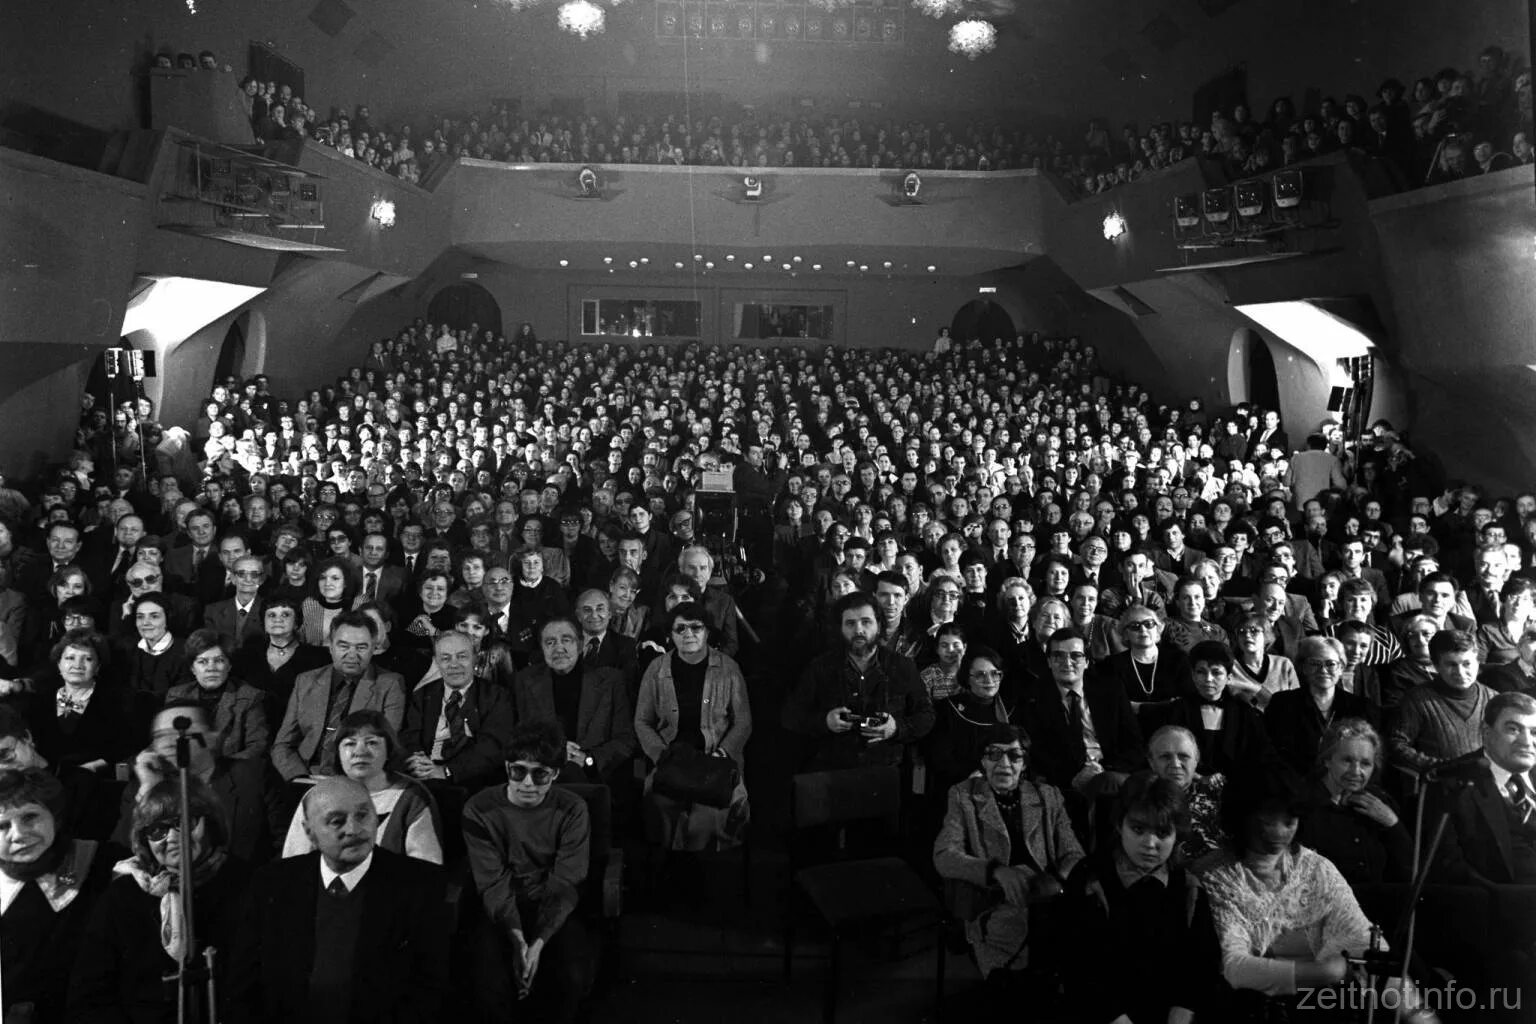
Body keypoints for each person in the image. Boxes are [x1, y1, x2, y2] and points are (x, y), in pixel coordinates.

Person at [229, 775, 449, 1024]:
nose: (354, 829)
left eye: (363, 815)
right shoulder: (272, 883)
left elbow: (430, 990)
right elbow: (244, 984)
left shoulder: (419, 885)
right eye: (337, 821)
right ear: (310, 833)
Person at [1201, 766, 1400, 1005]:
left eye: (1289, 820)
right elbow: (1235, 967)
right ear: (1244, 817)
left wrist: (1418, 1013)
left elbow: (1361, 938)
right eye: (1268, 820)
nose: (1280, 831)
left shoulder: (1317, 868)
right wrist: (1328, 972)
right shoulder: (1218, 876)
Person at [70, 777, 252, 1023]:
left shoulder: (250, 884)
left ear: (211, 823)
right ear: (145, 840)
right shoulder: (123, 895)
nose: (173, 837)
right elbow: (90, 995)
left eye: (186, 822)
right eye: (158, 830)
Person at [932, 723, 1084, 989]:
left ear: (1024, 763)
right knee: (1015, 981)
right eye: (994, 754)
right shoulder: (963, 795)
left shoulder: (1048, 796)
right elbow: (945, 855)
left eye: (1014, 756)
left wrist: (1057, 879)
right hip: (994, 903)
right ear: (982, 760)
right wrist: (996, 871)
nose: (1004, 764)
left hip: (1047, 899)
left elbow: (1073, 852)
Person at [463, 719, 594, 1023]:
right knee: (487, 983)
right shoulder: (479, 809)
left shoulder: (573, 808)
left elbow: (566, 881)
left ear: (556, 774)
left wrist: (537, 943)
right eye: (518, 771)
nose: (528, 784)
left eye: (541, 774)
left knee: (570, 977)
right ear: (507, 767)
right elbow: (493, 883)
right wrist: (518, 940)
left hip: (554, 905)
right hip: (502, 906)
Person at [1061, 773, 1218, 1023]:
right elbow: (1078, 965)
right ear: (1118, 825)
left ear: (1177, 835)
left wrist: (1183, 1010)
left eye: (1163, 832)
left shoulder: (1187, 886)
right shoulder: (1090, 878)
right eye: (1138, 829)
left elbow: (1202, 964)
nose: (1150, 843)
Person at [633, 601, 751, 852]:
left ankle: (708, 873)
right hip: (672, 759)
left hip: (715, 759)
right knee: (659, 807)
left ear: (707, 632)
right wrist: (660, 755)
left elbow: (743, 721)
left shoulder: (728, 669)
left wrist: (724, 753)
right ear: (671, 634)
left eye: (696, 628)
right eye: (681, 629)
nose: (688, 634)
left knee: (709, 818)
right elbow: (642, 721)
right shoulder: (656, 669)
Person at [0, 768, 113, 1024]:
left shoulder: (102, 864)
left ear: (55, 816)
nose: (18, 834)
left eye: (30, 817)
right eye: (2, 825)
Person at [782, 591, 933, 771]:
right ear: (840, 627)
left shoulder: (902, 666)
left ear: (878, 624)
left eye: (866, 622)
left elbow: (926, 715)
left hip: (887, 770)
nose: (859, 630)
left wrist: (896, 729)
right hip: (833, 770)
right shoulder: (820, 667)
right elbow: (791, 716)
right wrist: (824, 722)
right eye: (850, 623)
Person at [114, 701, 277, 864]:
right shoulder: (141, 787)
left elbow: (287, 846)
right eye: (161, 736)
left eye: (181, 732)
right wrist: (151, 792)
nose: (170, 743)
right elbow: (122, 854)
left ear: (213, 738)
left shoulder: (253, 776)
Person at [270, 611, 406, 782]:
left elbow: (387, 748)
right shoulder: (306, 681)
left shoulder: (390, 685)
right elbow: (282, 744)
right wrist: (299, 777)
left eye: (361, 647)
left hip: (356, 781)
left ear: (374, 648)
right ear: (331, 646)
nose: (351, 654)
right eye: (344, 646)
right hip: (304, 776)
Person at [511, 617, 636, 787]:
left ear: (580, 644)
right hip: (542, 777)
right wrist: (555, 752)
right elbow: (517, 736)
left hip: (596, 778)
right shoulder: (525, 681)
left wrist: (588, 759)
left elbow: (625, 740)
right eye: (550, 642)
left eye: (566, 640)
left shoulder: (611, 681)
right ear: (542, 647)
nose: (559, 648)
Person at [1298, 718, 1411, 890]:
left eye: (1365, 763)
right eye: (1347, 760)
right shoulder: (1303, 803)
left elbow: (1409, 867)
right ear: (1327, 760)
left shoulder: (1380, 801)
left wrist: (1392, 823)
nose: (1356, 771)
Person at [399, 630, 516, 793]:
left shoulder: (497, 696)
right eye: (445, 658)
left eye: (462, 656)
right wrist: (417, 762)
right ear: (436, 662)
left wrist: (447, 771)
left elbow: (492, 746)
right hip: (424, 779)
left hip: (474, 783)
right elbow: (409, 737)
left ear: (475, 658)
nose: (454, 665)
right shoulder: (422, 695)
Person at [1149, 640, 1274, 777]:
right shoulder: (1176, 710)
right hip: (1188, 783)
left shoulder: (1245, 712)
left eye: (1216, 672)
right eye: (1201, 672)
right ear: (1193, 675)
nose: (1208, 679)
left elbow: (1258, 756)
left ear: (1228, 677)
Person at [1264, 636, 1378, 777]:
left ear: (1341, 668)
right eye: (1314, 663)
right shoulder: (1283, 704)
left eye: (1331, 664)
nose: (1323, 670)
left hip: (1347, 784)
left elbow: (1371, 756)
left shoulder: (1362, 708)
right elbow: (1272, 756)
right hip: (1295, 786)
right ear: (1303, 668)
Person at [1389, 629, 1495, 776]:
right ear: (1436, 666)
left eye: (1467, 664)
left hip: (1487, 786)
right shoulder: (1417, 700)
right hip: (1440, 786)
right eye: (1451, 665)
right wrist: (1443, 768)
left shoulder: (1494, 699)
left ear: (1477, 662)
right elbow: (1397, 746)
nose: (1460, 672)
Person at [164, 628, 269, 761]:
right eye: (202, 662)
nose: (211, 668)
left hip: (230, 775)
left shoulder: (249, 697)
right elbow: (165, 743)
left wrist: (218, 769)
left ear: (229, 665)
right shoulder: (176, 696)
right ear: (192, 668)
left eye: (219, 661)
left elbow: (257, 748)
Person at [927, 644, 1017, 794]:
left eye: (995, 673)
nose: (989, 680)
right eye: (980, 675)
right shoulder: (947, 708)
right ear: (967, 678)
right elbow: (939, 758)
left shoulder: (1011, 710)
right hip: (960, 789)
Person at [1146, 724, 1225, 867]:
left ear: (1196, 759)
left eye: (1184, 756)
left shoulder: (1219, 791)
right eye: (1165, 757)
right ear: (1151, 763)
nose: (1175, 764)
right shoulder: (1142, 798)